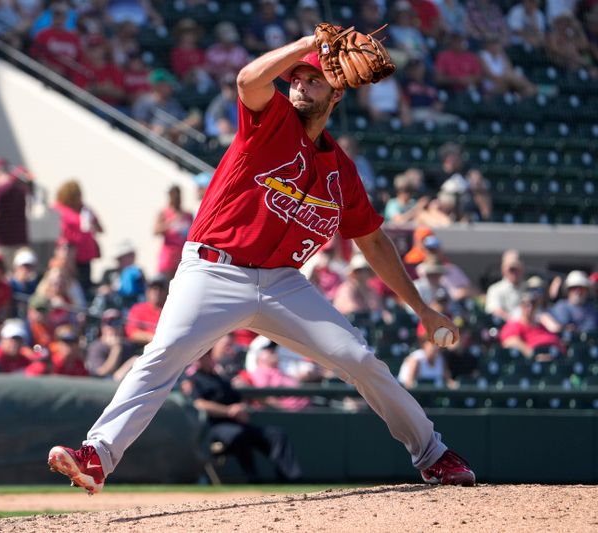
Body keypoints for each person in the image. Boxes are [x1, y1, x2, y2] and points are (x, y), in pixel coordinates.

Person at [47, 33, 475, 494]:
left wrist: (421, 309)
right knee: (163, 355)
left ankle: (434, 455)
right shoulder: (270, 121)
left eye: (314, 79)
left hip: (283, 284)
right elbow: (249, 78)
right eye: (297, 79)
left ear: (337, 93)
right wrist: (310, 41)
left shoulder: (342, 172)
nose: (300, 86)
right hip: (214, 269)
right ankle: (97, 455)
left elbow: (373, 242)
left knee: (360, 359)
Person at [181, 350, 302, 482]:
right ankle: (252, 478)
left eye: (207, 355)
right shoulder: (193, 379)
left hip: (238, 422)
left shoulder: (221, 379)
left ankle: (290, 477)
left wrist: (242, 408)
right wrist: (228, 411)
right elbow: (199, 404)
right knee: (238, 434)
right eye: (203, 356)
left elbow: (240, 399)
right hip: (214, 427)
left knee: (276, 434)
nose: (206, 359)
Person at [53, 180, 103, 292]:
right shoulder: (59, 210)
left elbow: (100, 228)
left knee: (85, 287)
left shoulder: (83, 210)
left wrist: (90, 214)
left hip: (85, 257)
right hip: (70, 257)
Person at [499, 291, 564, 358]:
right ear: (520, 306)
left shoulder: (543, 325)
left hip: (556, 356)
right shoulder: (514, 325)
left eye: (533, 303)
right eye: (526, 304)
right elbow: (509, 341)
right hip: (535, 361)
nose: (530, 307)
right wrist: (532, 354)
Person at [154, 185, 194, 279]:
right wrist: (170, 223)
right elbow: (155, 231)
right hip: (168, 256)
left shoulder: (188, 214)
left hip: (182, 255)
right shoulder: (164, 213)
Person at [85, 308, 136, 378]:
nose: (115, 328)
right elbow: (101, 373)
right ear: (102, 327)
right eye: (110, 323)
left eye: (118, 322)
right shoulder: (96, 347)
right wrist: (116, 349)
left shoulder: (127, 346)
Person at [124, 274, 168, 348]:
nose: (157, 292)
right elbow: (132, 332)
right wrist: (151, 337)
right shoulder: (138, 309)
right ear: (147, 291)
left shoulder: (170, 309)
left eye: (160, 289)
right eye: (153, 288)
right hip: (144, 349)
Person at [485, 250, 526, 321]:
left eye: (517, 269)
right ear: (503, 270)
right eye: (511, 269)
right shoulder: (495, 289)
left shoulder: (528, 287)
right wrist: (515, 321)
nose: (514, 273)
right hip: (506, 327)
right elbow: (495, 310)